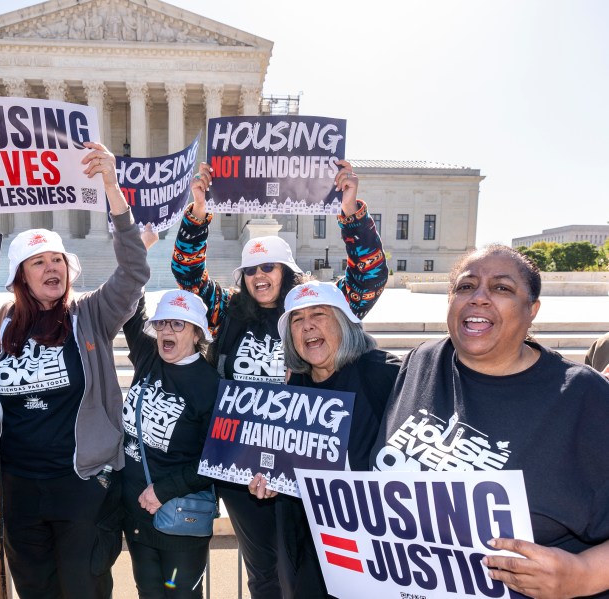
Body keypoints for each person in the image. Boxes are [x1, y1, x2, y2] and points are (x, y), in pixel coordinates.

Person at [0, 142, 150, 599]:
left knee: (84, 587)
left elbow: (133, 270)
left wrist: (112, 188)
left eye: (57, 262)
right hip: (20, 486)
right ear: (20, 276)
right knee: (35, 589)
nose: (52, 268)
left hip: (82, 484)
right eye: (39, 262)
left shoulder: (91, 315)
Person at [171, 160, 387, 598]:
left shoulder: (316, 308)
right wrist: (197, 214)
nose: (260, 276)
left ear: (287, 271)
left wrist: (351, 213)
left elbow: (368, 278)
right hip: (240, 456)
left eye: (269, 267)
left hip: (305, 455)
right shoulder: (226, 310)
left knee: (313, 561)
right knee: (264, 568)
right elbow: (188, 275)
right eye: (251, 270)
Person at [372, 245, 609, 599]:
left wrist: (582, 575)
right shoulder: (421, 361)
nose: (479, 297)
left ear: (532, 311)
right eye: (466, 287)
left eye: (502, 288)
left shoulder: (584, 396)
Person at [246, 280, 401, 597]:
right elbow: (283, 464)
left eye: (319, 314)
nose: (307, 326)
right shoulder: (292, 390)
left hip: (372, 548)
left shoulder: (381, 373)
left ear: (344, 322)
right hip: (308, 549)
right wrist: (268, 478)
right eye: (297, 320)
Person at [120, 277, 219, 597]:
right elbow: (132, 303)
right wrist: (132, 237)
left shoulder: (211, 385)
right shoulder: (148, 357)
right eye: (162, 323)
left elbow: (214, 460)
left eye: (178, 324)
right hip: (136, 517)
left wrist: (163, 490)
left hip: (180, 521)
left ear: (196, 333)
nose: (167, 332)